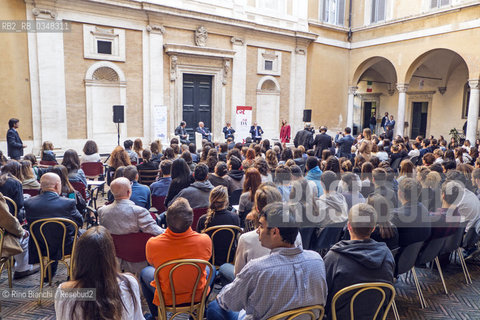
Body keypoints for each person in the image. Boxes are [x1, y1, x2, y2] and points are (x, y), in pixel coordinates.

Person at [207, 202, 328, 320]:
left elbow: (227, 301)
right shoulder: (317, 260)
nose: (258, 230)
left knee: (214, 306)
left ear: (275, 232)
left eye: (261, 226)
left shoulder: (257, 268)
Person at [140, 198, 212, 319]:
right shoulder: (205, 240)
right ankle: (201, 309)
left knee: (144, 273)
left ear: (167, 220)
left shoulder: (153, 243)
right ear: (191, 221)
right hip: (196, 296)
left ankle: (157, 315)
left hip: (167, 297)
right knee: (211, 271)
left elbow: (152, 263)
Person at [54, 226, 143, 320]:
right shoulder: (129, 283)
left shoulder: (65, 291)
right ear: (111, 255)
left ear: (79, 257)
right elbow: (138, 317)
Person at [324, 203, 395, 319]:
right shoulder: (387, 254)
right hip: (374, 315)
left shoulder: (334, 257)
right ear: (373, 228)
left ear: (349, 226)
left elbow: (323, 295)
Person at [99, 177, 164, 273]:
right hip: (136, 257)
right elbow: (155, 231)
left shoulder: (102, 211)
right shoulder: (139, 211)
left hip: (113, 255)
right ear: (129, 192)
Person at [25, 173, 83, 278]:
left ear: (41, 185)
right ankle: (74, 274)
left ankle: (49, 273)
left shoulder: (29, 203)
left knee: (51, 233)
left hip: (41, 246)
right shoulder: (68, 203)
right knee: (84, 236)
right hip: (66, 246)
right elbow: (80, 222)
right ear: (57, 185)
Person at [197, 185, 240, 264]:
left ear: (210, 200)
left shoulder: (203, 220)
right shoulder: (235, 218)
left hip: (208, 261)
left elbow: (198, 243)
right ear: (226, 201)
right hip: (229, 260)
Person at [391, 178, 431, 249]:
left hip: (398, 257)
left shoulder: (396, 216)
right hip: (418, 256)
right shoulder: (425, 210)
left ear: (400, 193)